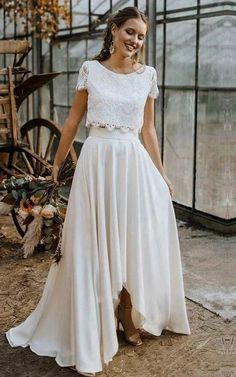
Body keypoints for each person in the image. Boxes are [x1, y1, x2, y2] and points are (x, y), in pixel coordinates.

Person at [6, 6, 191, 376]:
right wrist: (57, 165)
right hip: (97, 161)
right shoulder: (91, 70)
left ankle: (128, 311)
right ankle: (99, 320)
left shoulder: (147, 77)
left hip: (132, 164)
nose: (135, 41)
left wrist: (162, 173)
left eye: (141, 36)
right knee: (95, 243)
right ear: (114, 29)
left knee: (130, 239)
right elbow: (73, 121)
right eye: (130, 32)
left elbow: (148, 131)